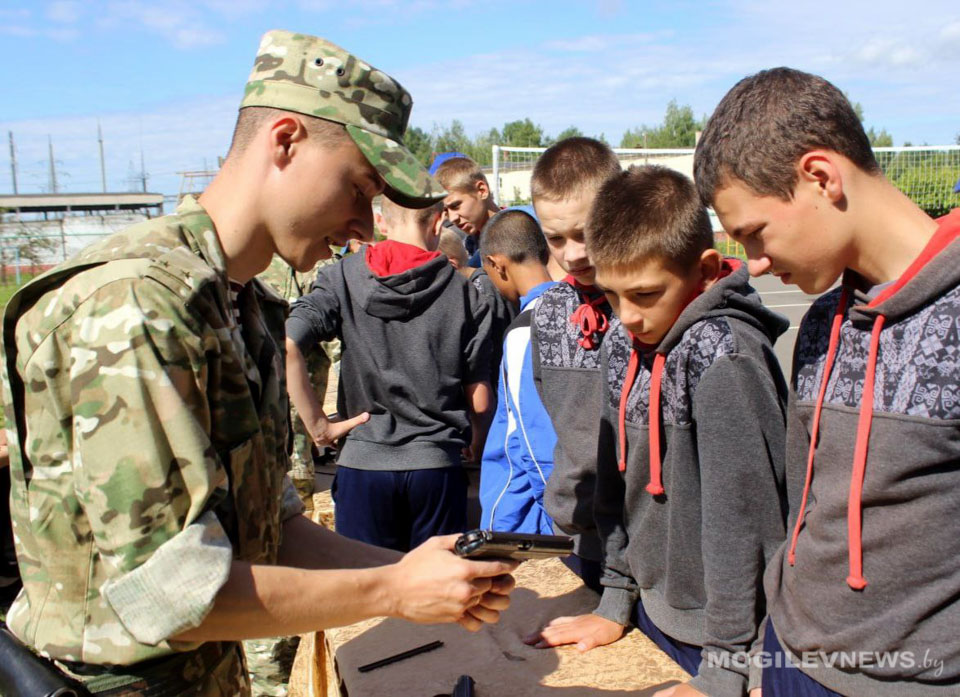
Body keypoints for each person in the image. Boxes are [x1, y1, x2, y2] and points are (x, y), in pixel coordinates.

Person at [0, 30, 515, 696]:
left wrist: (415, 570)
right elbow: (173, 592)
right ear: (285, 140)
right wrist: (394, 588)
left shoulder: (243, 308)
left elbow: (273, 534)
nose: (364, 223)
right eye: (359, 187)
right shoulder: (136, 306)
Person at [696, 66, 960, 697]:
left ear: (820, 177)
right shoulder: (819, 324)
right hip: (789, 664)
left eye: (754, 234)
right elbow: (804, 510)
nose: (753, 264)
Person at [527, 165, 790, 697]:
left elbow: (745, 527)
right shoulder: (624, 341)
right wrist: (616, 600)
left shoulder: (725, 356)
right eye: (613, 294)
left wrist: (728, 668)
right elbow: (616, 490)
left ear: (706, 269)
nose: (626, 316)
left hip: (725, 647)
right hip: (648, 614)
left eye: (646, 294)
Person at [285, 196, 494, 551]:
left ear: (381, 223)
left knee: (370, 588)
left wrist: (318, 426)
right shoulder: (465, 292)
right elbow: (480, 396)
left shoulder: (341, 277)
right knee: (437, 589)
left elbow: (288, 344)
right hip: (436, 465)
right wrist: (474, 439)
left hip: (363, 462)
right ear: (438, 222)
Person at [528, 137, 621, 592]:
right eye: (556, 238)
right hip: (579, 537)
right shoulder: (546, 314)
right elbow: (555, 415)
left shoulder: (657, 309)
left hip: (654, 547)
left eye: (585, 233)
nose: (573, 253)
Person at [477, 210, 557, 534]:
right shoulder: (576, 311)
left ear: (498, 265)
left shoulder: (524, 331)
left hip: (535, 511)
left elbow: (529, 435)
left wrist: (555, 514)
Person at [434, 155, 500, 267]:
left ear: (482, 190)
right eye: (446, 211)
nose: (452, 218)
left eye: (455, 206)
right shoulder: (469, 245)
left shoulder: (519, 233)